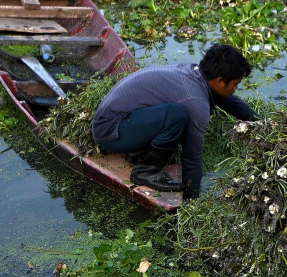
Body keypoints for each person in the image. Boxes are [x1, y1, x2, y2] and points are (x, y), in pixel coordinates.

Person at [92, 44, 257, 197]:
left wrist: (261, 123)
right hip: (110, 131)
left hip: (123, 120)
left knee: (175, 113)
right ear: (220, 81)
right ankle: (145, 172)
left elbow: (225, 98)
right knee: (177, 115)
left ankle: (136, 154)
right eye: (235, 84)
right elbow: (192, 156)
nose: (236, 89)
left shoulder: (196, 73)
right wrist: (192, 198)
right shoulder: (194, 99)